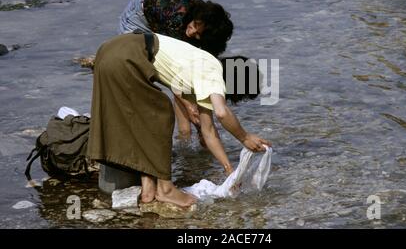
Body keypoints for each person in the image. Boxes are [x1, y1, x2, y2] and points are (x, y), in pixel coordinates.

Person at [86, 32, 271, 207]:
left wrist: (230, 171)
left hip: (112, 51)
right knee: (161, 113)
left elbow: (209, 131)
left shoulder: (203, 73)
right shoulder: (213, 71)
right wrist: (245, 137)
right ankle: (165, 189)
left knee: (144, 119)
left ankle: (149, 190)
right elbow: (222, 113)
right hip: (127, 55)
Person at [118, 0, 234, 142]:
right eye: (194, 25)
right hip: (139, 16)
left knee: (187, 81)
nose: (192, 32)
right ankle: (180, 134)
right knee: (146, 73)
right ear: (197, 17)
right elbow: (175, 76)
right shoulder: (177, 20)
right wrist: (189, 106)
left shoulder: (206, 20)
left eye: (199, 34)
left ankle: (184, 137)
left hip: (163, 18)